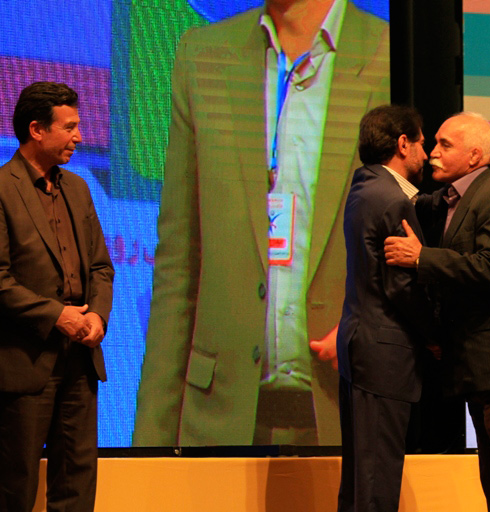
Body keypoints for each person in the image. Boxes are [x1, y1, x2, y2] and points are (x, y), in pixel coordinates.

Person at [133, 0, 389, 446]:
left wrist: (374, 323)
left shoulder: (387, 53)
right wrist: (150, 443)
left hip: (348, 410)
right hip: (219, 420)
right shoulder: (204, 53)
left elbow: (425, 243)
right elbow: (179, 259)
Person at [384, 112, 490, 512]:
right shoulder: (450, 200)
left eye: (445, 145)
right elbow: (410, 199)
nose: (433, 152)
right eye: (435, 143)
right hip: (481, 368)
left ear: (475, 156)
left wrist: (421, 258)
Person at [0, 82, 114, 511]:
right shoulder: (2, 188)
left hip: (80, 361)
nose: (79, 137)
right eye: (69, 127)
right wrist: (57, 315)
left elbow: (101, 268)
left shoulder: (79, 189)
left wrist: (97, 317)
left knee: (77, 486)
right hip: (25, 364)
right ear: (37, 130)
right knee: (15, 487)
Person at [336, 104, 433, 512]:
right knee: (376, 484)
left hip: (360, 349)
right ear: (402, 144)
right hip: (383, 355)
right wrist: (435, 337)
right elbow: (402, 286)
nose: (427, 155)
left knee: (360, 481)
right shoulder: (391, 200)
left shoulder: (364, 189)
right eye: (423, 144)